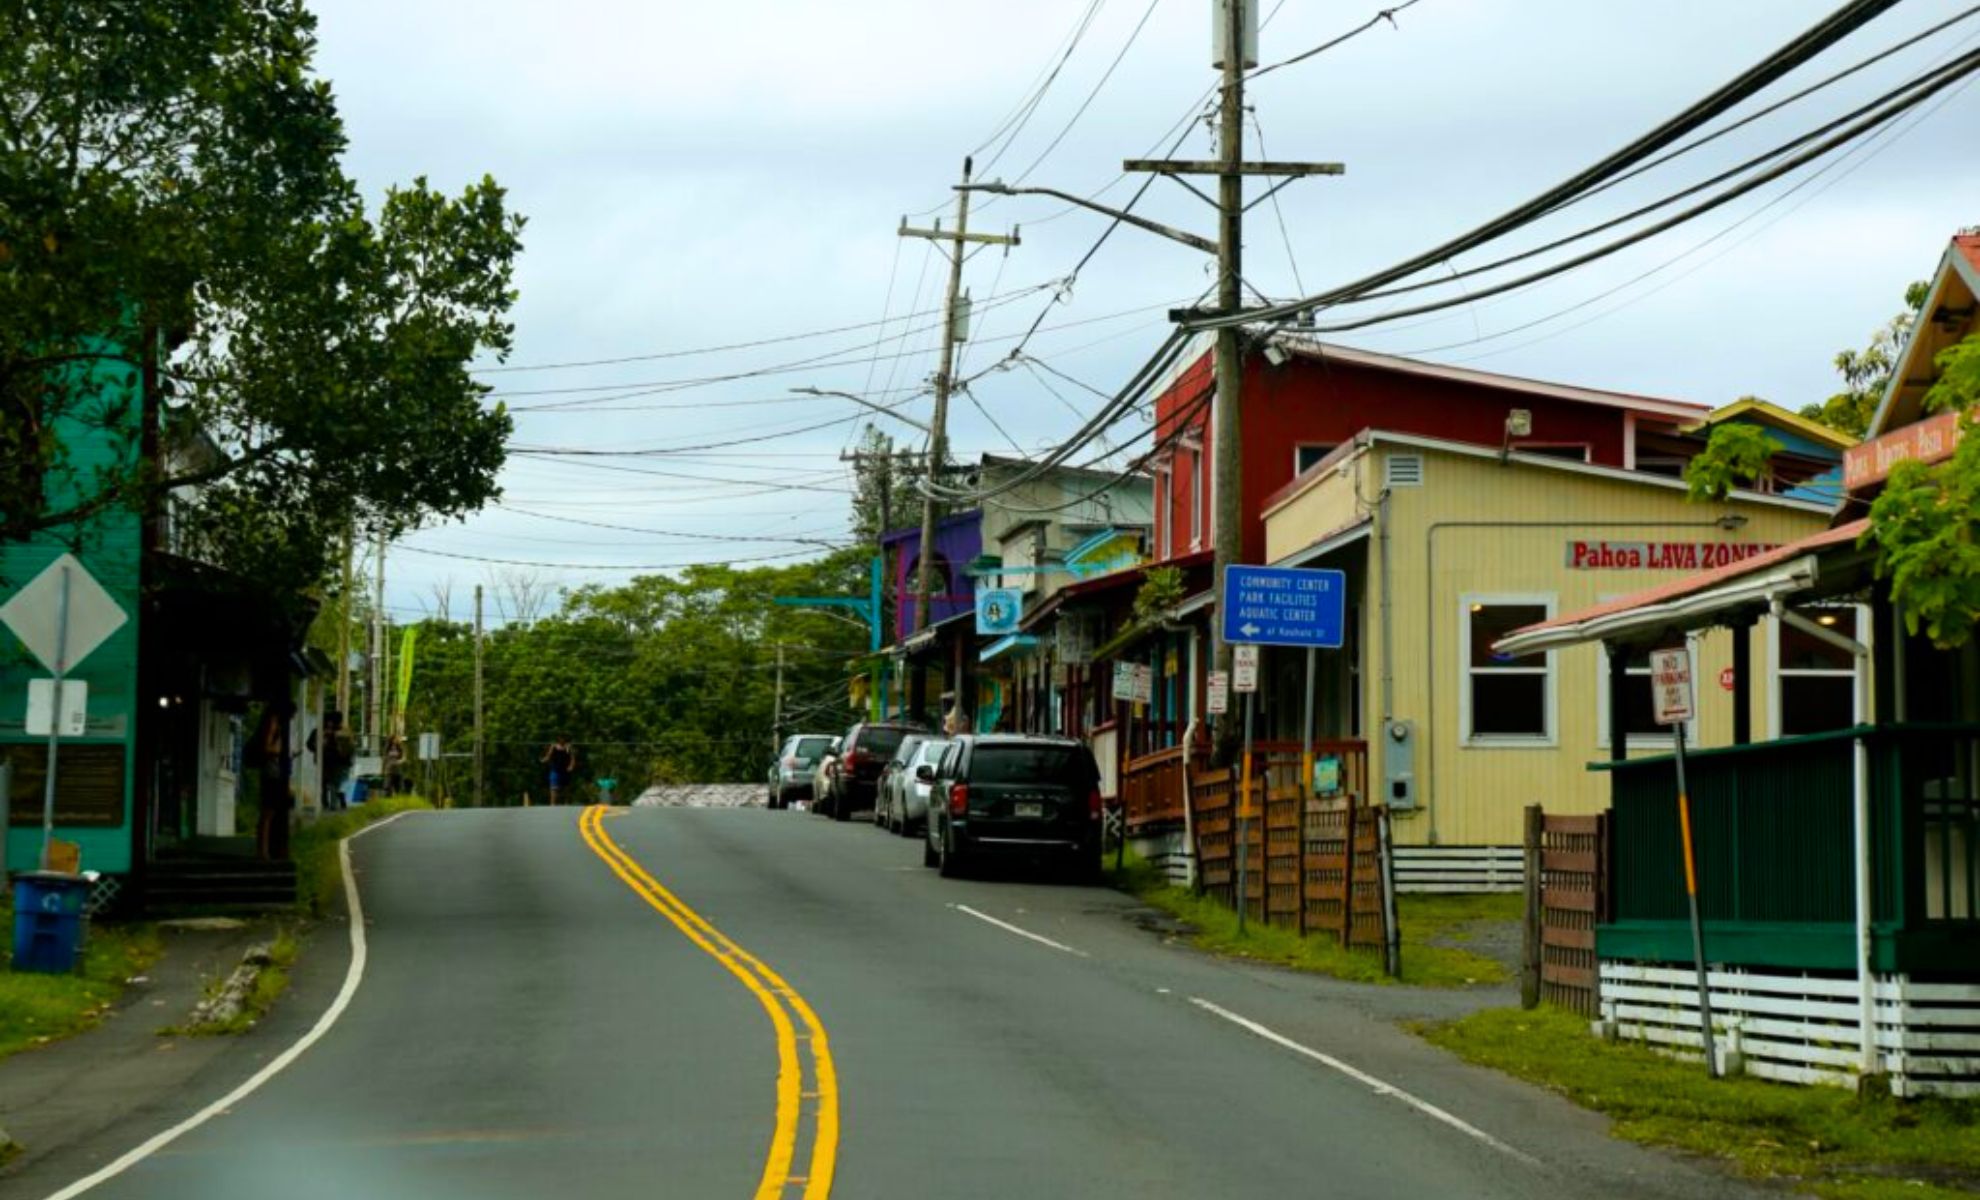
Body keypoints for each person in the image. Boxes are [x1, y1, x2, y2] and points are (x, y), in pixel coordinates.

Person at [250, 699, 295, 861]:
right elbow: (267, 747)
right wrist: (280, 750)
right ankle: (263, 851)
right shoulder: (273, 723)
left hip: (273, 770)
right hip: (272, 771)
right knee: (268, 812)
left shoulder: (272, 722)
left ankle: (264, 849)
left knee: (271, 811)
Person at [543, 736, 577, 805]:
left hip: (565, 769)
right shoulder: (554, 746)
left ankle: (566, 803)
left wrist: (571, 766)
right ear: (558, 739)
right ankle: (552, 803)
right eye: (560, 738)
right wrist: (545, 759)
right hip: (555, 769)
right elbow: (549, 755)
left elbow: (572, 758)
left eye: (563, 738)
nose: (562, 740)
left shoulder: (568, 747)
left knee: (566, 787)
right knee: (553, 787)